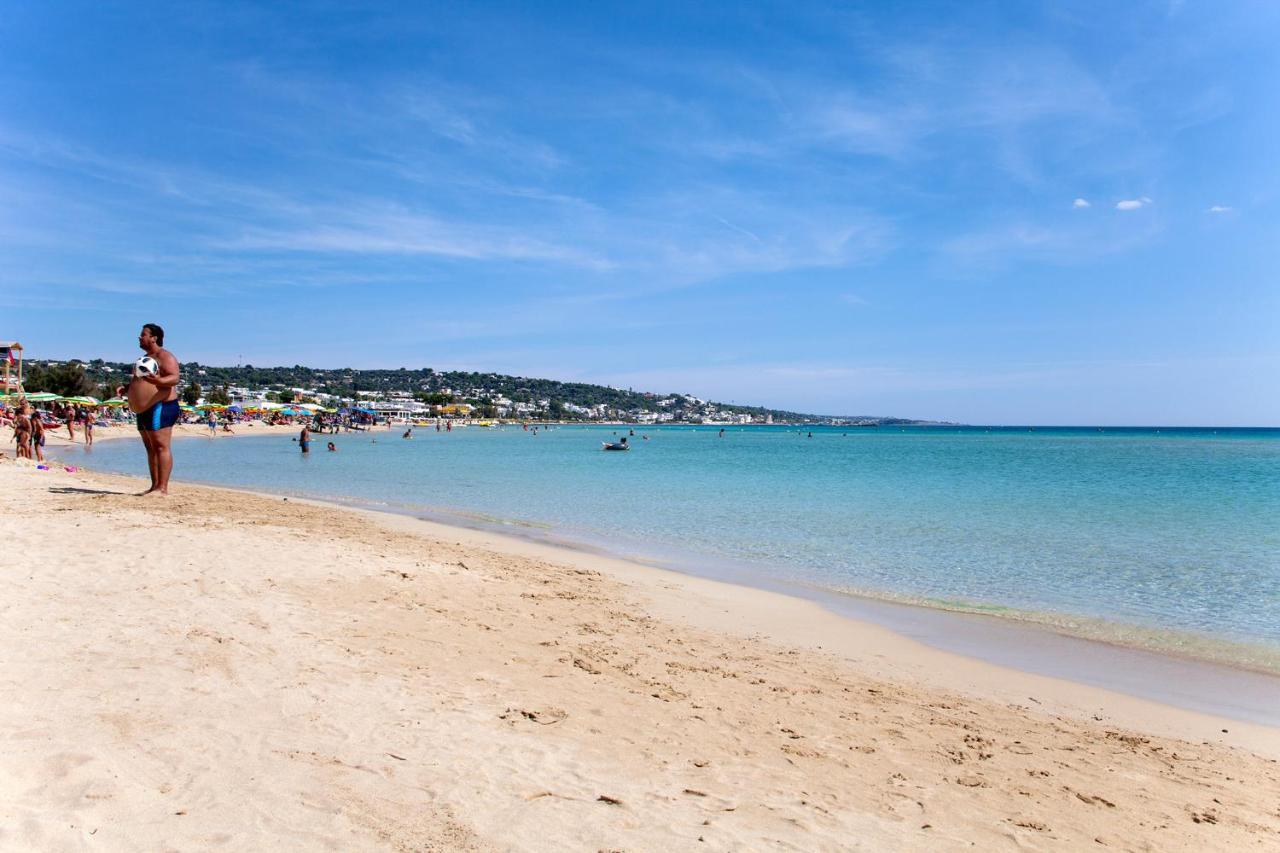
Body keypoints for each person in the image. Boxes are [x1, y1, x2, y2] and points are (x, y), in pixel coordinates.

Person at [118, 323, 181, 496]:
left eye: (143, 334)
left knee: (161, 446)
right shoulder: (144, 359)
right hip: (144, 409)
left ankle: (162, 488)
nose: (140, 337)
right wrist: (126, 388)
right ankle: (154, 486)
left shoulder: (164, 356)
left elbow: (174, 378)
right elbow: (139, 382)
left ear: (154, 338)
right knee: (150, 448)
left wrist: (158, 381)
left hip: (161, 406)